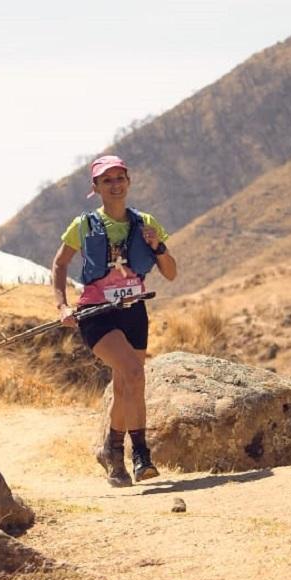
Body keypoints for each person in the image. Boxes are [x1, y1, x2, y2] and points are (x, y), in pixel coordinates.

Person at [52, 155, 178, 487]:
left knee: (126, 385)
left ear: (129, 181)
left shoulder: (146, 223)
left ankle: (111, 449)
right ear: (95, 187)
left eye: (120, 177)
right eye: (107, 180)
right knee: (134, 373)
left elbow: (171, 273)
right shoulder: (82, 226)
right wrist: (63, 305)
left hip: (135, 312)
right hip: (97, 315)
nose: (115, 184)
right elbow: (59, 264)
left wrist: (158, 245)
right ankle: (141, 455)